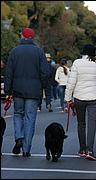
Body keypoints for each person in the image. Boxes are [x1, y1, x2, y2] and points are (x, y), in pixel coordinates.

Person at [4, 27, 48, 157]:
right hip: (34, 91)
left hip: (18, 89)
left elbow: (9, 72)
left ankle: (19, 137)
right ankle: (26, 148)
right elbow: (45, 72)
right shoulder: (39, 52)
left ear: (22, 36)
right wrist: (44, 88)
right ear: (32, 37)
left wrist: (8, 90)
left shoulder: (14, 51)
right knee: (30, 118)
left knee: (18, 114)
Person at [65, 44, 96, 161]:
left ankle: (82, 149)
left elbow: (71, 82)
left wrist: (68, 98)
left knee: (81, 123)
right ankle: (90, 150)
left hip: (79, 96)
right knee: (92, 124)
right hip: (94, 96)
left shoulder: (77, 63)